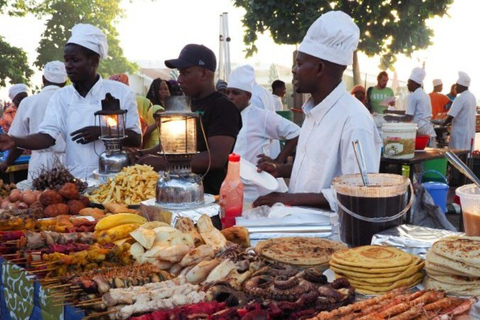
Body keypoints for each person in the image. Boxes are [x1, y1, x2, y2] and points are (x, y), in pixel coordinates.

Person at [253, 11, 382, 209]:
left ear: (320, 68)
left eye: (299, 63)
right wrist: (280, 169)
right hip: (300, 225)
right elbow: (316, 169)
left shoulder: (354, 121)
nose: (294, 70)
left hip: (330, 234)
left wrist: (290, 199)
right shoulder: (315, 112)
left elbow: (360, 193)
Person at [0, 23, 141, 178]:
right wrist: (14, 140)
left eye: (74, 60)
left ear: (93, 61)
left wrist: (102, 131)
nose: (68, 66)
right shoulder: (61, 97)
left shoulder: (121, 92)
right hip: (75, 182)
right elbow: (46, 137)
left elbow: (136, 138)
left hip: (114, 180)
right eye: (66, 60)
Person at [137, 44, 242, 195]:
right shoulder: (186, 104)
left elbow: (217, 157)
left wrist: (163, 163)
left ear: (204, 74)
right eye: (179, 73)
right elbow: (172, 144)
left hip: (208, 195)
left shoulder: (223, 107)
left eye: (185, 73)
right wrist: (142, 154)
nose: (179, 79)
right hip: (176, 189)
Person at [227, 65, 300, 199]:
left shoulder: (261, 116)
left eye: (236, 93)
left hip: (261, 191)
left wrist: (279, 161)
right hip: (236, 191)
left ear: (248, 96)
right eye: (228, 92)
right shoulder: (226, 116)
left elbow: (296, 133)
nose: (230, 97)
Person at [1, 61, 68, 179]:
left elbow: (16, 141)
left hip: (40, 165)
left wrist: (7, 163)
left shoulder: (28, 102)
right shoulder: (73, 101)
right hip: (69, 163)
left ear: (43, 79)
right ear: (65, 82)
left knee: (37, 196)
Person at [385, 68, 436, 146]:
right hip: (428, 130)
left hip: (420, 131)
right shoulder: (425, 95)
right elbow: (409, 111)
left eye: (408, 82)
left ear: (413, 83)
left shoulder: (412, 96)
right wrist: (391, 112)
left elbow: (408, 117)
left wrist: (393, 118)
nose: (407, 85)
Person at [443, 71, 477, 150]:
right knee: (467, 154)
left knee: (457, 155)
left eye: (457, 86)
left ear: (462, 86)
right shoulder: (472, 97)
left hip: (459, 133)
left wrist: (442, 125)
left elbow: (451, 116)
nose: (455, 88)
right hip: (469, 132)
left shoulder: (460, 98)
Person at [144, 78, 170, 148]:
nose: (164, 91)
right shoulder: (157, 108)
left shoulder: (167, 106)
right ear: (155, 91)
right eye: (160, 89)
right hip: (156, 143)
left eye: (166, 89)